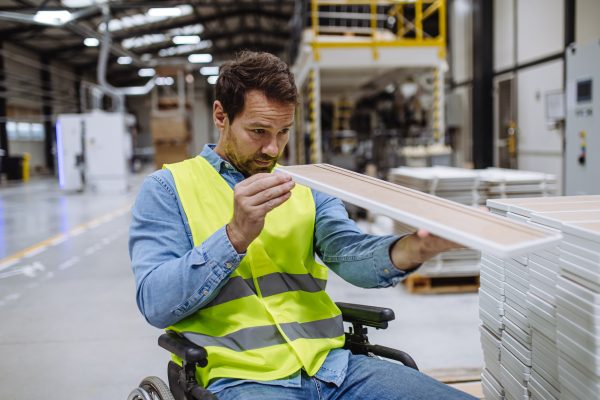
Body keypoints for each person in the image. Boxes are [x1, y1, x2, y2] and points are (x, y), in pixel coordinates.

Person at [129, 51, 477, 400]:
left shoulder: (304, 187)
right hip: (243, 379)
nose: (272, 148)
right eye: (258, 131)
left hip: (334, 368)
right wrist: (233, 237)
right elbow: (156, 303)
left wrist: (413, 248)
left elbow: (350, 254)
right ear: (221, 115)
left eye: (283, 132)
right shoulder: (167, 189)